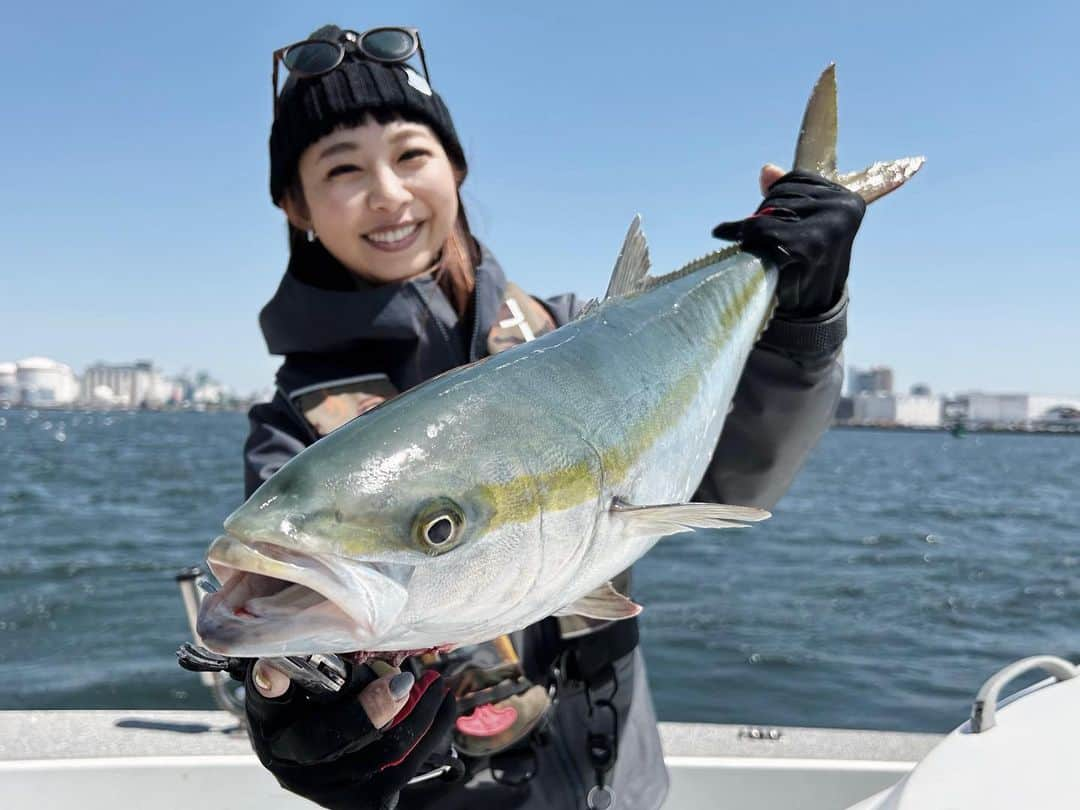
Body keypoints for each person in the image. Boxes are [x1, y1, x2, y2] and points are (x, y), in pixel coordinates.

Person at [239, 22, 864, 810]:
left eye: (410, 155)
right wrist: (299, 712)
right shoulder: (293, 430)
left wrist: (807, 323)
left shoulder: (575, 330)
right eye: (342, 168)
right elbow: (292, 613)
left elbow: (737, 475)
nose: (388, 194)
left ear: (456, 170)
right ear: (296, 205)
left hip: (620, 781)